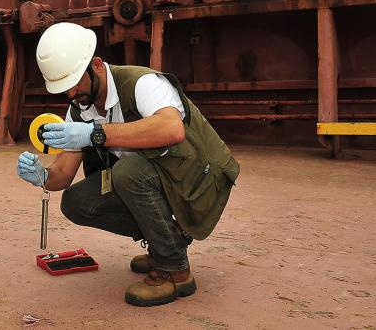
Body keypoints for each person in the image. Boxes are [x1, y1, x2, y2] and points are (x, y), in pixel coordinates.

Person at [17, 22, 239, 307]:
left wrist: (97, 133)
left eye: (74, 84)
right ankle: (165, 242)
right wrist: (42, 176)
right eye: (64, 89)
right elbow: (63, 174)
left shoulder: (142, 83)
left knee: (128, 173)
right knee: (77, 202)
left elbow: (172, 129)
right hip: (158, 180)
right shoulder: (79, 109)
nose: (71, 94)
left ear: (96, 65)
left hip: (200, 178)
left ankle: (175, 270)